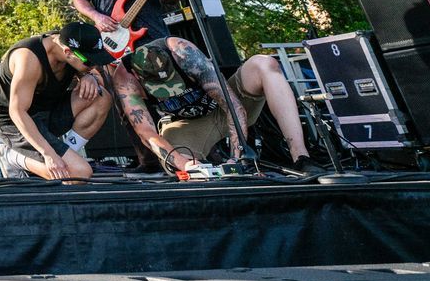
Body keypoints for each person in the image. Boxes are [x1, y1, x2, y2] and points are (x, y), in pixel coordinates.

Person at [108, 37, 318, 176]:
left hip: (226, 107)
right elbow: (146, 132)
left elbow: (232, 105)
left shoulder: (183, 52)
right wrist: (182, 163)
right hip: (186, 124)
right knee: (178, 168)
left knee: (264, 63)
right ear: (137, 76)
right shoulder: (124, 78)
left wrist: (238, 159)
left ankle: (301, 156)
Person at [0, 22, 111, 181]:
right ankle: (11, 157)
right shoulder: (29, 58)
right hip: (15, 122)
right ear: (68, 52)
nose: (94, 65)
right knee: (79, 174)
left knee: (101, 96)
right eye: (90, 62)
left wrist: (89, 76)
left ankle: (64, 157)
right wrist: (49, 154)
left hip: (46, 112)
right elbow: (17, 111)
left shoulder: (69, 47)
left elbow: (97, 78)